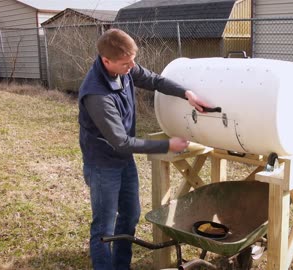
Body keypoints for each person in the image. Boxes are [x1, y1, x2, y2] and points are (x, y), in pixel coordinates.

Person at [78, 28, 210, 270]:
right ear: (106, 61)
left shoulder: (125, 68)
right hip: (103, 163)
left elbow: (154, 80)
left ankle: (121, 265)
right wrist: (166, 145)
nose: (132, 67)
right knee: (104, 228)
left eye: (133, 61)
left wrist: (186, 93)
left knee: (130, 216)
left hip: (123, 160)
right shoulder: (96, 93)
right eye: (125, 63)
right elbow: (121, 141)